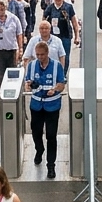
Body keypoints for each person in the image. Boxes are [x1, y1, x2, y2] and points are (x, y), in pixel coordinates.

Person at [24, 41, 66, 179]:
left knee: (51, 135)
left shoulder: (57, 66)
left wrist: (54, 89)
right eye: (37, 55)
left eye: (42, 55)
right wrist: (29, 86)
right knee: (36, 133)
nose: (40, 57)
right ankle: (39, 149)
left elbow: (61, 84)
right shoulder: (32, 65)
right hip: (36, 105)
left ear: (47, 53)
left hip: (52, 105)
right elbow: (27, 84)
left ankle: (51, 165)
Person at [0, 0, 24, 80]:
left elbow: (19, 34)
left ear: (6, 7)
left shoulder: (14, 19)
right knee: (0, 74)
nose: (0, 9)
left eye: (2, 7)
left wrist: (20, 49)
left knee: (12, 74)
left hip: (12, 50)